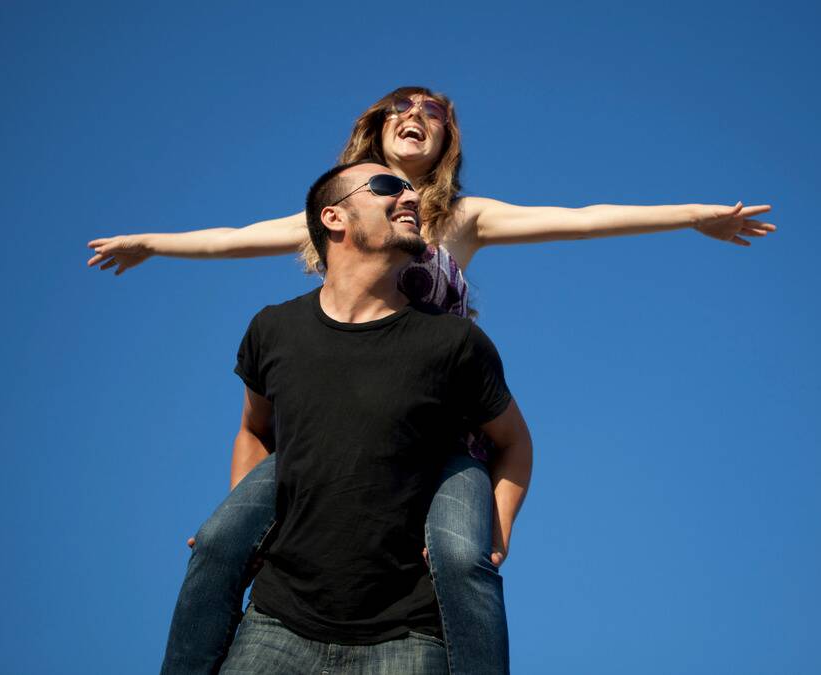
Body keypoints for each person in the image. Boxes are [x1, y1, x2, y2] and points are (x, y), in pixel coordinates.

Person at [87, 86, 775, 674]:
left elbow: (582, 219)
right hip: (333, 423)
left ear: (444, 140)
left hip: (439, 430)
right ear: (376, 132)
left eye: (435, 110)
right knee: (215, 540)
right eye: (402, 105)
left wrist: (692, 216)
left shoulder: (457, 219)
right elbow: (231, 236)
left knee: (457, 553)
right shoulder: (337, 212)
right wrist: (151, 243)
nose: (419, 111)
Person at [219, 159, 531, 674]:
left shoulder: (453, 343)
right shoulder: (273, 329)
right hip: (275, 626)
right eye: (388, 187)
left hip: (410, 638)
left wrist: (497, 527)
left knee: (461, 558)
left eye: (412, 190)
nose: (409, 197)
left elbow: (515, 442)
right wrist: (243, 521)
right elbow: (254, 429)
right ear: (333, 218)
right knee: (212, 548)